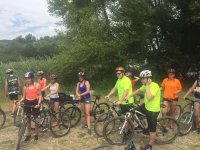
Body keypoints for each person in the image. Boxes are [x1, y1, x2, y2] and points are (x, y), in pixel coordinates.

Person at [125, 70, 160, 150]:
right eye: (140, 78)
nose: (141, 80)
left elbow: (149, 97)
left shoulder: (155, 86)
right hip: (146, 106)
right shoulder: (144, 85)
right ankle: (140, 125)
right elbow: (138, 90)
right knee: (132, 112)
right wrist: (129, 95)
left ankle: (149, 146)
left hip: (153, 110)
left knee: (152, 129)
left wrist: (147, 85)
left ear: (148, 78)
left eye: (143, 78)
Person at [18, 72, 42, 141]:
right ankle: (28, 134)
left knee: (36, 119)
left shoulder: (37, 85)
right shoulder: (25, 87)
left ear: (32, 78)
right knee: (28, 120)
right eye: (26, 79)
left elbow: (40, 95)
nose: (27, 80)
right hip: (27, 103)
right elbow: (23, 97)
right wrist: (20, 101)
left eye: (28, 78)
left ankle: (36, 134)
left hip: (35, 102)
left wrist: (39, 103)